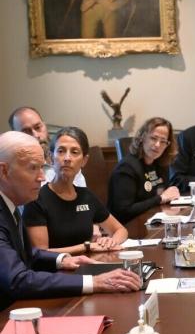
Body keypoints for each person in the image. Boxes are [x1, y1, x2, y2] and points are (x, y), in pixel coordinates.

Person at [0, 131, 140, 311]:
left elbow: (29, 254)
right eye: (33, 168)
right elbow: (18, 279)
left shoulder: (12, 204)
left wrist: (62, 259)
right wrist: (94, 282)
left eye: (42, 168)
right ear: (3, 171)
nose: (42, 177)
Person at [23, 127, 127, 254]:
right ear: (50, 158)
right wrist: (86, 247)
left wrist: (111, 242)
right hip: (55, 271)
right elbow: (40, 253)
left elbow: (120, 230)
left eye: (74, 152)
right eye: (61, 151)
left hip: (88, 265)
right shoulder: (36, 199)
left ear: (84, 160)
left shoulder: (86, 196)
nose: (67, 158)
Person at [108, 117, 180, 224]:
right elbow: (123, 211)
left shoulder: (161, 164)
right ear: (142, 137)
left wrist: (171, 193)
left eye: (163, 141)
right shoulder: (126, 168)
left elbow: (163, 194)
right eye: (153, 138)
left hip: (153, 220)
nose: (157, 145)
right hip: (129, 227)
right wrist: (161, 198)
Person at [8, 106, 86, 187]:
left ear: (45, 126)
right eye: (26, 131)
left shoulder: (67, 159)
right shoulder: (15, 172)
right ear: (16, 136)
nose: (36, 135)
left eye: (38, 127)